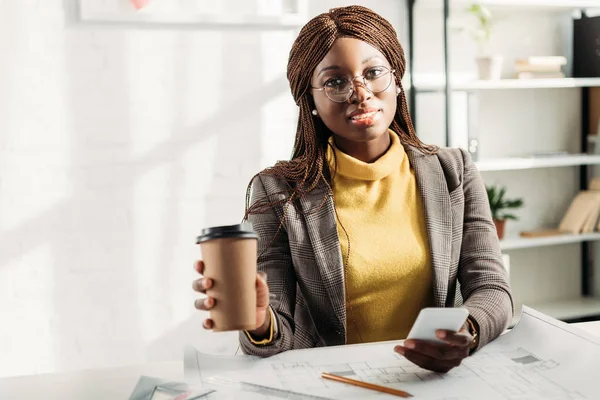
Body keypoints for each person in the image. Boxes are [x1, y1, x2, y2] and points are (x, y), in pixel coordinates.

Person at [192, 5, 513, 373]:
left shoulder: (452, 171)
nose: (360, 93)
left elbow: (491, 288)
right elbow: (277, 330)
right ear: (310, 100)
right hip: (335, 383)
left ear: (395, 78)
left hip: (432, 378)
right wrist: (260, 319)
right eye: (335, 82)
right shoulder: (279, 191)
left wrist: (465, 332)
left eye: (373, 73)